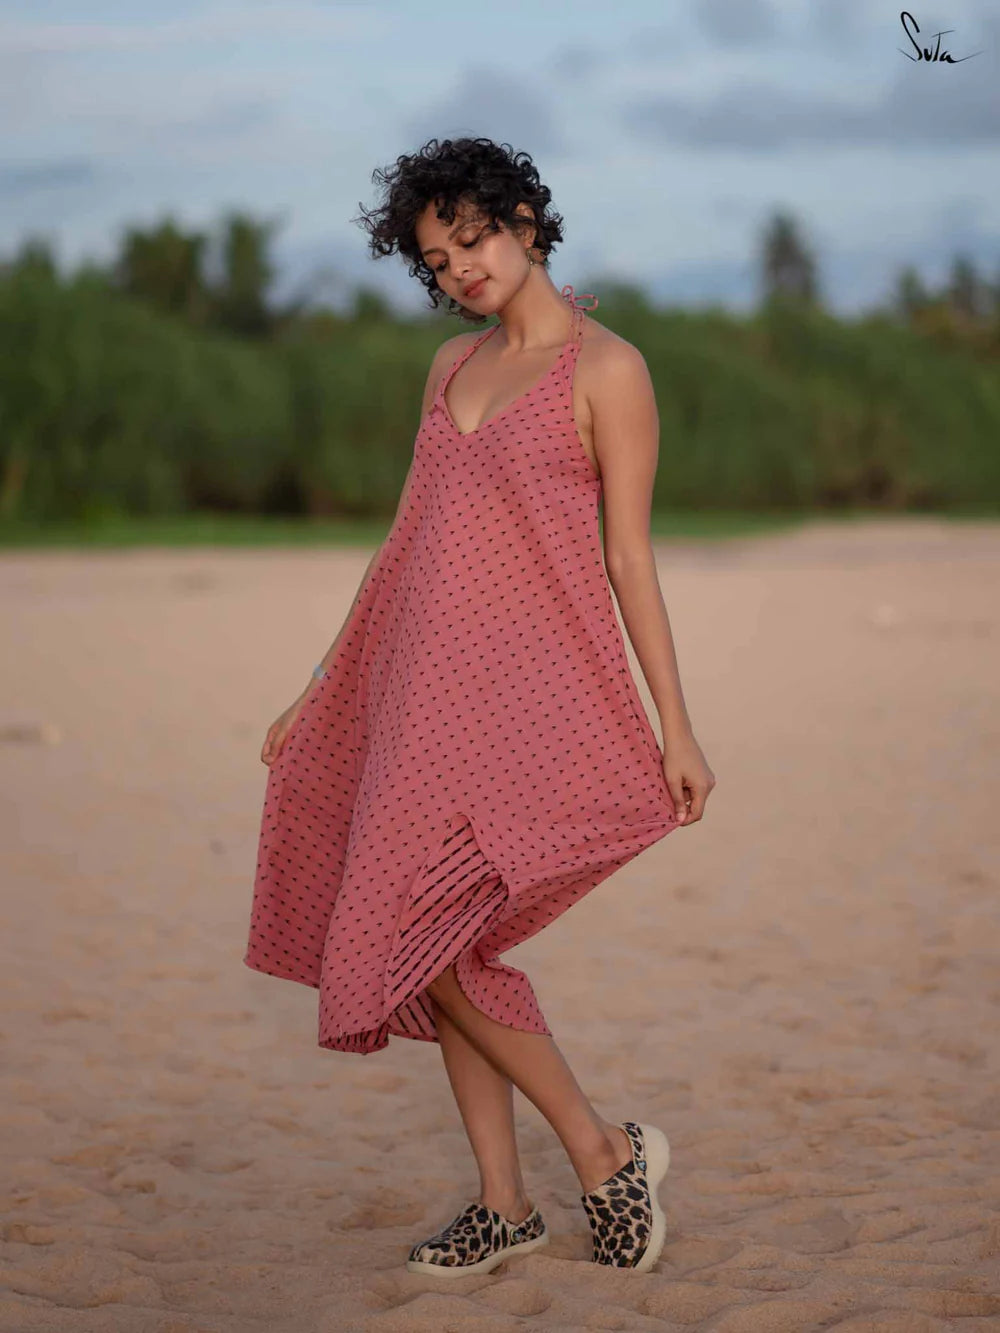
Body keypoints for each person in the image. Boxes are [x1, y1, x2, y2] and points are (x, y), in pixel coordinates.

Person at [244, 136, 716, 1276]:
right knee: (433, 940)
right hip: (416, 701)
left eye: (472, 239)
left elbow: (630, 558)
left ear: (524, 221)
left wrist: (677, 725)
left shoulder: (608, 371)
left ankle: (599, 1150)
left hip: (527, 703)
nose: (459, 267)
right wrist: (319, 686)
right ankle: (507, 1201)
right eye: (436, 257)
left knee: (431, 937)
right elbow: (403, 543)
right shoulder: (448, 367)